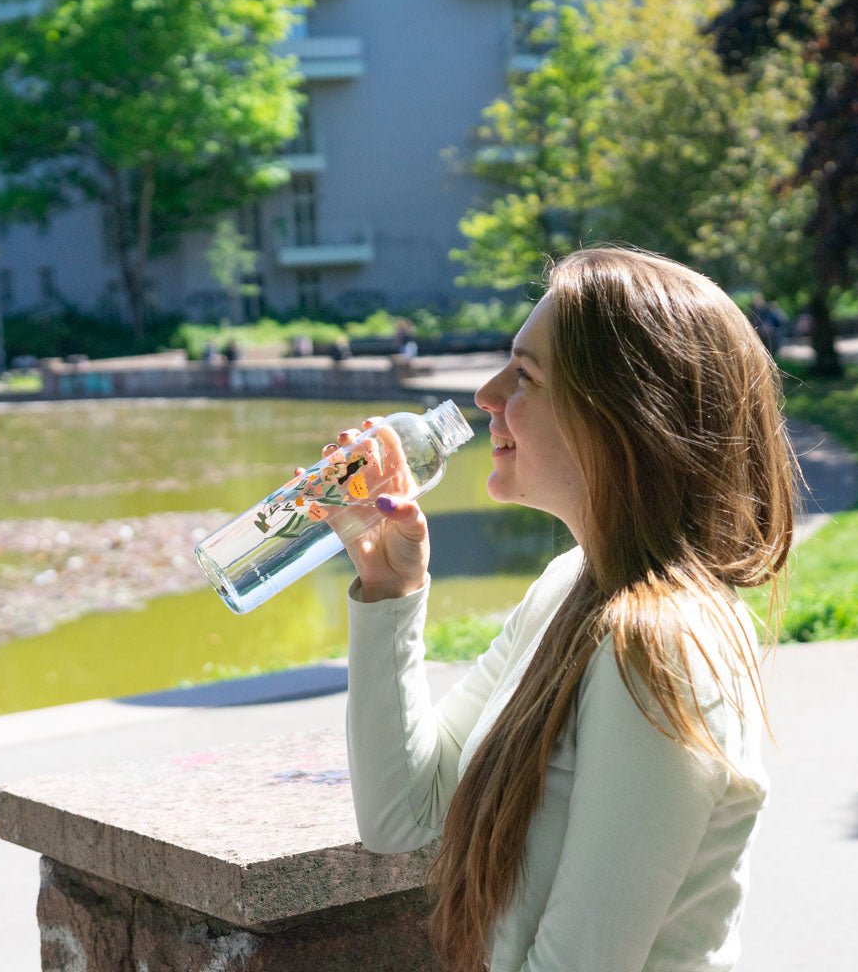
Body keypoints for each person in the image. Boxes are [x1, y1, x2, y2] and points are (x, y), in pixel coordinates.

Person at [325, 247, 795, 971]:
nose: (486, 395)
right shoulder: (571, 584)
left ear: (621, 418)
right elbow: (402, 815)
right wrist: (391, 592)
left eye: (526, 376)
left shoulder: (661, 647)